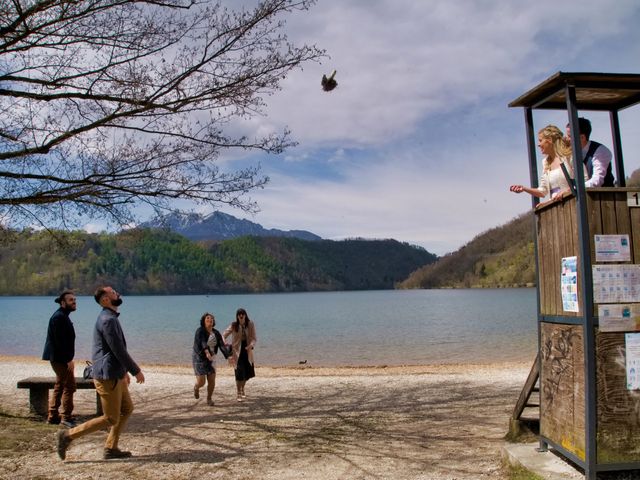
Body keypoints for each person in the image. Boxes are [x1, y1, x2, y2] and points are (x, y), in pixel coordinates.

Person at [56, 286, 145, 461]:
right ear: (105, 300)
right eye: (112, 292)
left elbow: (114, 351)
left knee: (127, 408)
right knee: (111, 418)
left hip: (115, 373)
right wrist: (135, 371)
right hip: (107, 376)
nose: (117, 293)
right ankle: (67, 436)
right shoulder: (107, 320)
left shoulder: (110, 317)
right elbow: (118, 350)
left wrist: (124, 371)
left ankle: (111, 447)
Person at [510, 125, 582, 201]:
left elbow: (585, 180)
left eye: (540, 140)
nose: (538, 144)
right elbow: (543, 191)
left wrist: (568, 190)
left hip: (573, 203)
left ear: (550, 140)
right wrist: (524, 189)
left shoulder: (569, 157)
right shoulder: (545, 162)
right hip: (557, 208)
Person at [42, 290, 78, 427]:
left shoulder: (63, 316)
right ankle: (66, 418)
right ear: (63, 303)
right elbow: (59, 342)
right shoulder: (59, 317)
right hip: (60, 359)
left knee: (60, 385)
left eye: (74, 300)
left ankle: (53, 416)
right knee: (69, 386)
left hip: (60, 358)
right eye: (71, 300)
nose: (74, 302)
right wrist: (68, 359)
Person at [565, 117, 615, 187]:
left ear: (582, 137)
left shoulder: (600, 151)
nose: (566, 139)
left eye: (569, 136)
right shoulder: (571, 154)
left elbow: (597, 180)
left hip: (604, 197)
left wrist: (576, 188)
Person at [223, 308, 257, 402]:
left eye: (242, 314)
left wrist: (251, 345)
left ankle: (242, 389)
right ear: (237, 316)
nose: (241, 316)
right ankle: (238, 392)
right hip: (237, 353)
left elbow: (254, 338)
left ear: (245, 315)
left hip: (247, 351)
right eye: (239, 315)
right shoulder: (234, 325)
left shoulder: (250, 324)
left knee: (247, 374)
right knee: (239, 373)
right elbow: (223, 335)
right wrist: (225, 344)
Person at [192, 312, 226, 406]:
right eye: (207, 318)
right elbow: (203, 342)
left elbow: (222, 346)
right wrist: (207, 352)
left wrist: (229, 356)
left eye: (211, 318)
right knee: (201, 382)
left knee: (212, 379)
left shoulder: (216, 333)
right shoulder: (200, 331)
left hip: (212, 358)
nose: (210, 320)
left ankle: (209, 399)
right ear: (203, 321)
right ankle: (196, 387)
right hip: (199, 358)